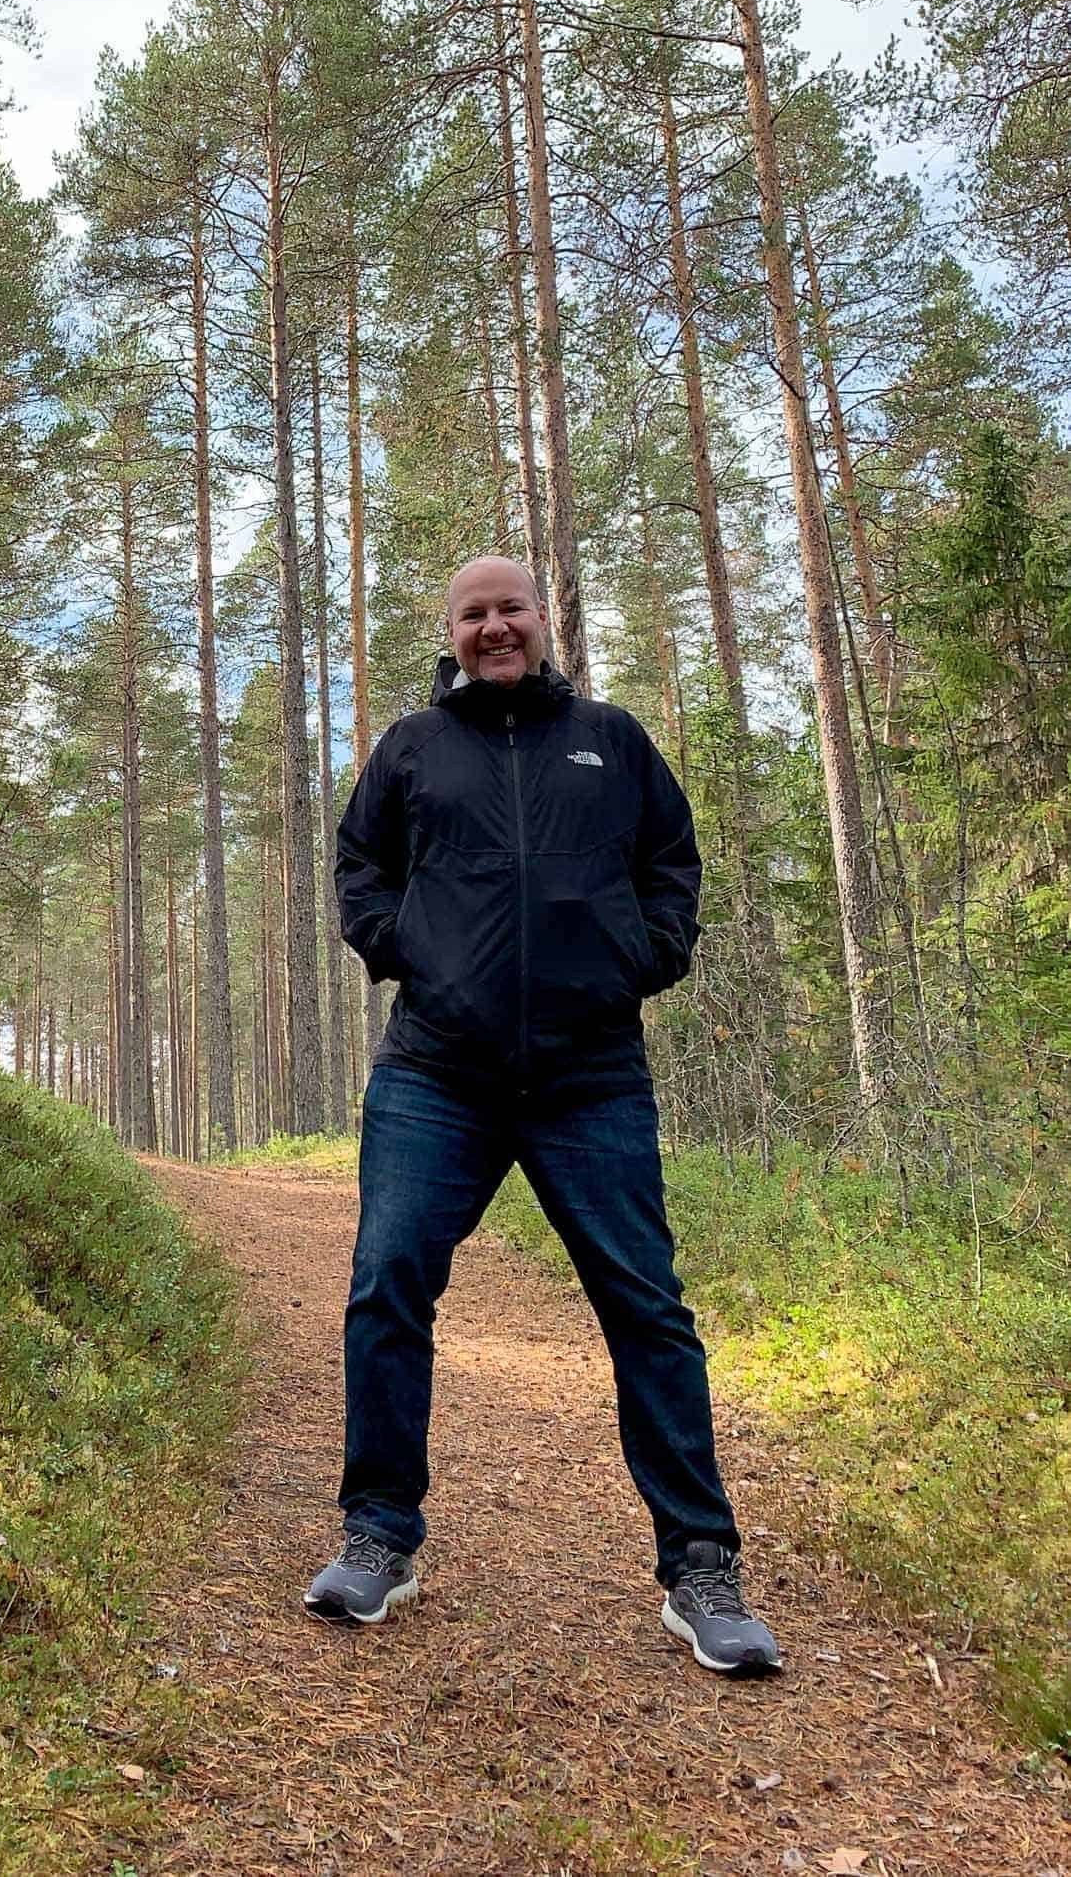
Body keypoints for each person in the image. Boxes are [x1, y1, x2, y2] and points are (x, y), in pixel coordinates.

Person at [303, 553, 781, 1677]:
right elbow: (358, 862)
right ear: (452, 631)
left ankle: (701, 1564)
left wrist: (643, 958)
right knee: (386, 1286)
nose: (495, 627)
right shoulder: (413, 749)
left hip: (590, 1074)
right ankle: (380, 1533)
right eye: (473, 613)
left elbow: (673, 862)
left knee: (647, 1308)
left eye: (511, 607)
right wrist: (402, 945)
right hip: (438, 1073)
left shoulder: (611, 741)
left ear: (542, 617)